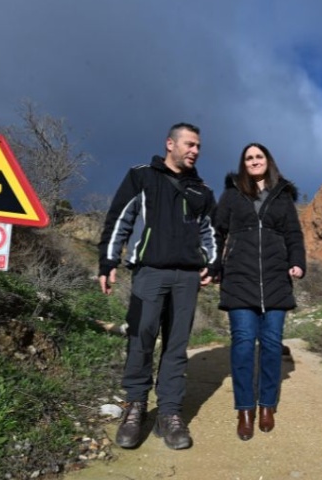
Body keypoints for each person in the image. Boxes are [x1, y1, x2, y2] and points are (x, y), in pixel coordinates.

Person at [98, 122, 217, 450]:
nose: (195, 151)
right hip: (149, 272)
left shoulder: (201, 191)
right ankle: (135, 407)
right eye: (189, 144)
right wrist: (108, 261)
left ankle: (169, 413)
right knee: (141, 338)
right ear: (170, 143)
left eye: (198, 147)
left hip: (187, 278)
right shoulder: (142, 176)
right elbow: (120, 220)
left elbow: (211, 232)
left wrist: (213, 261)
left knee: (177, 345)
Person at [210, 142, 306, 441]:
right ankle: (245, 409)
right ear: (243, 164)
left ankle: (266, 405)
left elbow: (293, 234)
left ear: (268, 161)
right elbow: (217, 231)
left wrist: (297, 262)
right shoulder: (231, 194)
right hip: (239, 278)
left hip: (276, 278)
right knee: (241, 343)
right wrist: (214, 265)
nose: (254, 161)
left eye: (258, 156)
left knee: (271, 344)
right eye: (249, 157)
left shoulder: (283, 195)